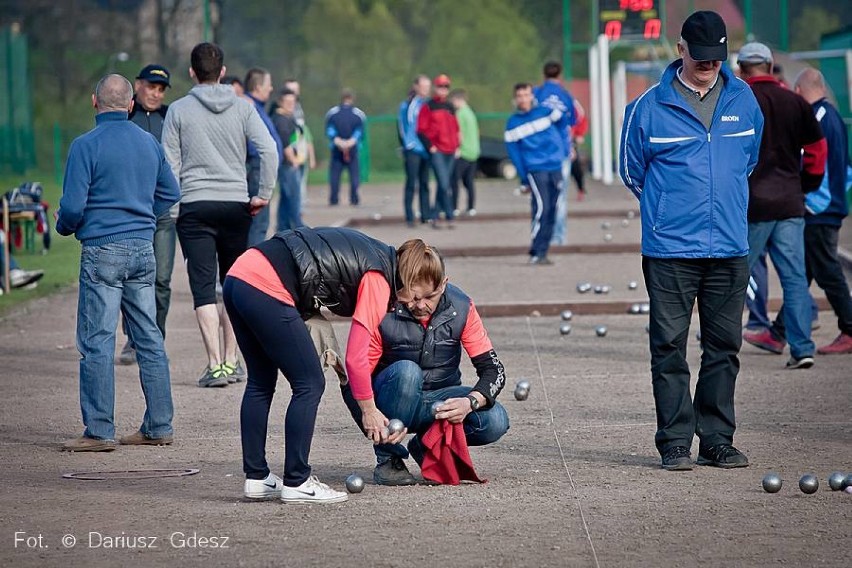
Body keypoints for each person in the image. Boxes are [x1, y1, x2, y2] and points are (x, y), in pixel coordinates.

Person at [619, 11, 764, 470]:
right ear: (680, 49)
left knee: (725, 347)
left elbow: (748, 161)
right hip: (669, 251)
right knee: (669, 348)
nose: (708, 65)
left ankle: (717, 439)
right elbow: (631, 170)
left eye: (716, 58)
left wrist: (723, 204)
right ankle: (675, 442)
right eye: (699, 57)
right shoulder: (647, 106)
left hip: (729, 247)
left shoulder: (745, 99)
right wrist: (669, 211)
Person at [223, 227, 411, 503]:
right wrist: (368, 410)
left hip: (238, 276)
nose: (415, 304)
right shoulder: (380, 278)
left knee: (260, 382)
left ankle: (257, 478)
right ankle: (297, 481)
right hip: (267, 285)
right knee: (309, 384)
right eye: (418, 295)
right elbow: (355, 357)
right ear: (410, 278)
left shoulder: (375, 252)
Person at [57, 74, 180, 451]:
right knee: (149, 338)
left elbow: (74, 207)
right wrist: (145, 217)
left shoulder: (84, 145)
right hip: (143, 249)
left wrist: (67, 226)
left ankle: (99, 430)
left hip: (102, 250)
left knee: (97, 341)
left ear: (95, 102)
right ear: (130, 105)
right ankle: (159, 425)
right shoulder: (149, 143)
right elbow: (171, 193)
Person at [339, 239, 509, 486]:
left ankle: (427, 445)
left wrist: (469, 402)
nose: (420, 305)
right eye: (413, 297)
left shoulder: (462, 306)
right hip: (393, 399)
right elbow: (357, 376)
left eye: (429, 296)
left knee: (496, 420)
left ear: (444, 284)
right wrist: (369, 416)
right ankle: (389, 461)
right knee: (408, 372)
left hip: (438, 401)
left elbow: (494, 370)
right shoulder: (383, 306)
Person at [162, 43, 278, 387]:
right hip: (234, 204)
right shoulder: (242, 108)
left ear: (192, 73)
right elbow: (269, 149)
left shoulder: (179, 110)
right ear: (223, 72)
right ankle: (232, 360)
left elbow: (170, 163)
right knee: (231, 285)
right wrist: (263, 195)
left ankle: (213, 365)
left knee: (202, 288)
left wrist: (174, 208)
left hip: (195, 205)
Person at [737, 42, 827, 369]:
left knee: (735, 277)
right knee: (793, 279)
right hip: (790, 201)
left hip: (752, 204)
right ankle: (802, 348)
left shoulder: (737, 102)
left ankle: (723, 343)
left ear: (741, 68)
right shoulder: (795, 101)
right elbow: (817, 151)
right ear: (771, 64)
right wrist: (805, 186)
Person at [765, 69, 852, 355]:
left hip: (818, 209)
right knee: (802, 272)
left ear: (799, 91)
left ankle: (850, 328)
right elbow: (846, 168)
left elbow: (817, 163)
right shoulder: (834, 118)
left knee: (826, 271)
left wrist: (811, 200)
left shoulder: (817, 119)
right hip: (828, 205)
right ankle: (779, 332)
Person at [117, 64, 175, 366]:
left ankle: (155, 339)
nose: (155, 93)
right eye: (151, 86)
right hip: (132, 211)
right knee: (132, 278)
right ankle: (133, 339)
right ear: (138, 85)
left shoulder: (170, 118)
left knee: (162, 280)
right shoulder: (125, 117)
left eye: (161, 89)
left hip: (162, 213)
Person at [504, 82, 566, 265]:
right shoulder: (513, 123)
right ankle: (536, 250)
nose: (523, 99)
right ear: (515, 99)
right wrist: (523, 177)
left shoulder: (547, 112)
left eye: (526, 95)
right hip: (535, 169)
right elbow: (514, 153)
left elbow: (565, 123)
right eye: (520, 96)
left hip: (555, 166)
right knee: (541, 207)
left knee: (553, 209)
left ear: (532, 96)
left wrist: (565, 149)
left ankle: (543, 251)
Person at [533, 61, 576, 244]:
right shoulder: (566, 96)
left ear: (543, 75)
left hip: (539, 152)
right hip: (561, 152)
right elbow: (571, 123)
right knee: (561, 197)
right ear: (560, 75)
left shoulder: (536, 93)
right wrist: (571, 146)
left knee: (540, 198)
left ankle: (540, 236)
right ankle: (559, 237)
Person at [244, 68, 284, 247]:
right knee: (258, 224)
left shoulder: (258, 107)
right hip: (257, 168)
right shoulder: (249, 107)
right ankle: (252, 268)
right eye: (268, 84)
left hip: (262, 168)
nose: (271, 88)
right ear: (258, 86)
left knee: (261, 224)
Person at [417, 74, 459, 228]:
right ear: (435, 88)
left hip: (451, 150)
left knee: (445, 184)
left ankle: (434, 215)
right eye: (440, 86)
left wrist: (458, 145)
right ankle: (449, 215)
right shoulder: (428, 106)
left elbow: (456, 128)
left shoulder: (450, 106)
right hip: (438, 150)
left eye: (446, 86)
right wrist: (430, 146)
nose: (443, 89)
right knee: (443, 183)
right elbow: (420, 130)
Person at [398, 75, 432, 227]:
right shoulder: (407, 105)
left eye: (428, 87)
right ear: (416, 86)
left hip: (426, 149)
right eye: (424, 86)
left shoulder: (428, 104)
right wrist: (408, 144)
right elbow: (402, 126)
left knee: (425, 183)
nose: (426, 90)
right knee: (412, 183)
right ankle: (410, 217)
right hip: (413, 149)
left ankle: (426, 215)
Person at [325, 89, 365, 206]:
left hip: (337, 148)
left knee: (335, 176)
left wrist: (338, 141)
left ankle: (334, 199)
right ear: (352, 99)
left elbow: (330, 130)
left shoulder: (332, 113)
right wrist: (350, 142)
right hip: (352, 149)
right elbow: (359, 132)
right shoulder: (358, 114)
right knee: (354, 176)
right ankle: (354, 198)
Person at [271, 88, 304, 231]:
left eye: (293, 102)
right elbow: (285, 143)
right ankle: (298, 228)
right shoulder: (281, 120)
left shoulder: (288, 118)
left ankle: (284, 229)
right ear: (280, 103)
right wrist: (293, 160)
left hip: (288, 164)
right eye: (288, 102)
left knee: (286, 200)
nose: (291, 105)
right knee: (293, 199)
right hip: (287, 164)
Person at [283, 79, 316, 206]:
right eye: (291, 89)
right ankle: (294, 218)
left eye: (296, 90)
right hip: (291, 154)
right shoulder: (284, 110)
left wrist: (310, 154)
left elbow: (304, 132)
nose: (294, 93)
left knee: (301, 184)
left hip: (301, 153)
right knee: (292, 188)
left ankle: (299, 210)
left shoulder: (299, 108)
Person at [449, 88, 480, 217]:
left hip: (464, 152)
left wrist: (457, 148)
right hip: (474, 151)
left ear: (458, 100)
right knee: (469, 182)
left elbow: (459, 133)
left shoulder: (460, 114)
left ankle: (454, 207)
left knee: (454, 181)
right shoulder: (471, 113)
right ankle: (471, 207)